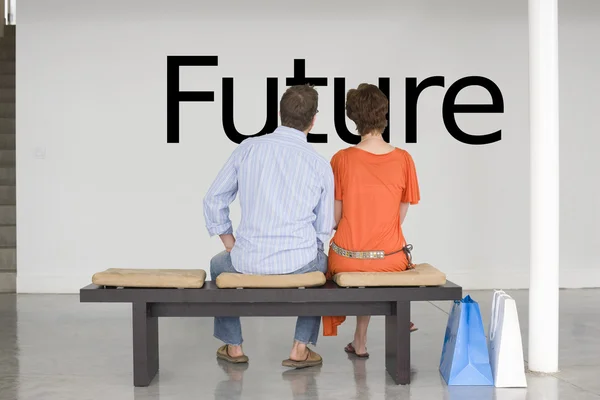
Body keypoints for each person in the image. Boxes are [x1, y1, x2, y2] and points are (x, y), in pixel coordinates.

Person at [203, 84, 335, 368]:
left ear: (279, 114)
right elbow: (324, 228)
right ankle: (300, 347)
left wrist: (230, 244)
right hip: (300, 264)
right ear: (313, 121)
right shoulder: (319, 164)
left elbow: (214, 198)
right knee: (321, 265)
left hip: (246, 261)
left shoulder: (248, 149)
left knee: (217, 265)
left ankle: (234, 347)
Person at [322, 83, 421, 357]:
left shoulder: (341, 159)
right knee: (377, 263)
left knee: (362, 265)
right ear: (384, 115)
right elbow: (399, 215)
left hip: (346, 257)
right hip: (389, 259)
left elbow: (335, 218)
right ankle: (365, 335)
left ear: (353, 119)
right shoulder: (404, 159)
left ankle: (360, 340)